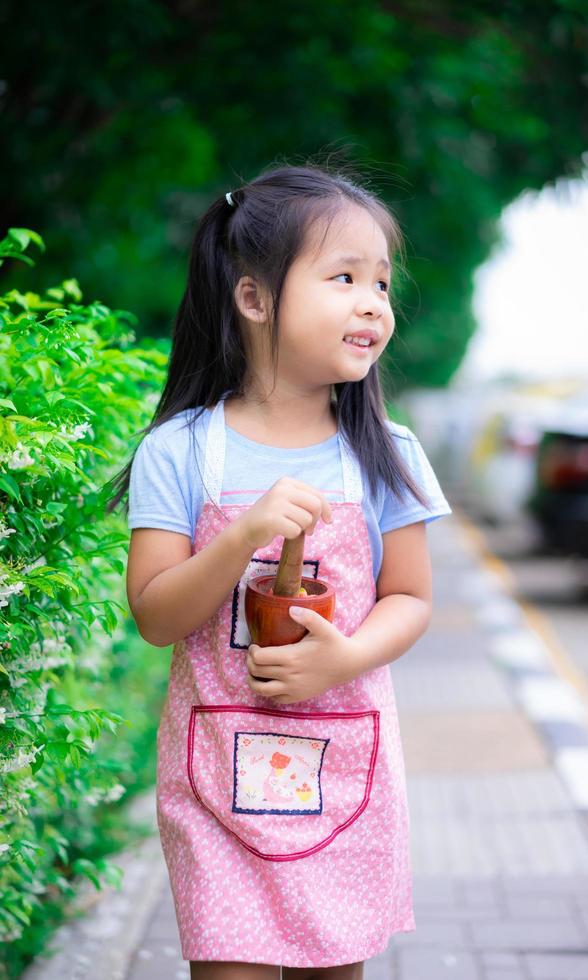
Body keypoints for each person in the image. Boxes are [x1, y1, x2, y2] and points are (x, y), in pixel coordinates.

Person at [112, 162, 452, 980]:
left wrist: (345, 657)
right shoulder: (182, 450)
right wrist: (244, 534)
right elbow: (157, 616)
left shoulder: (388, 455)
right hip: (216, 782)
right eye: (344, 278)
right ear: (255, 298)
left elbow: (410, 597)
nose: (374, 303)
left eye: (381, 284)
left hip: (345, 778)